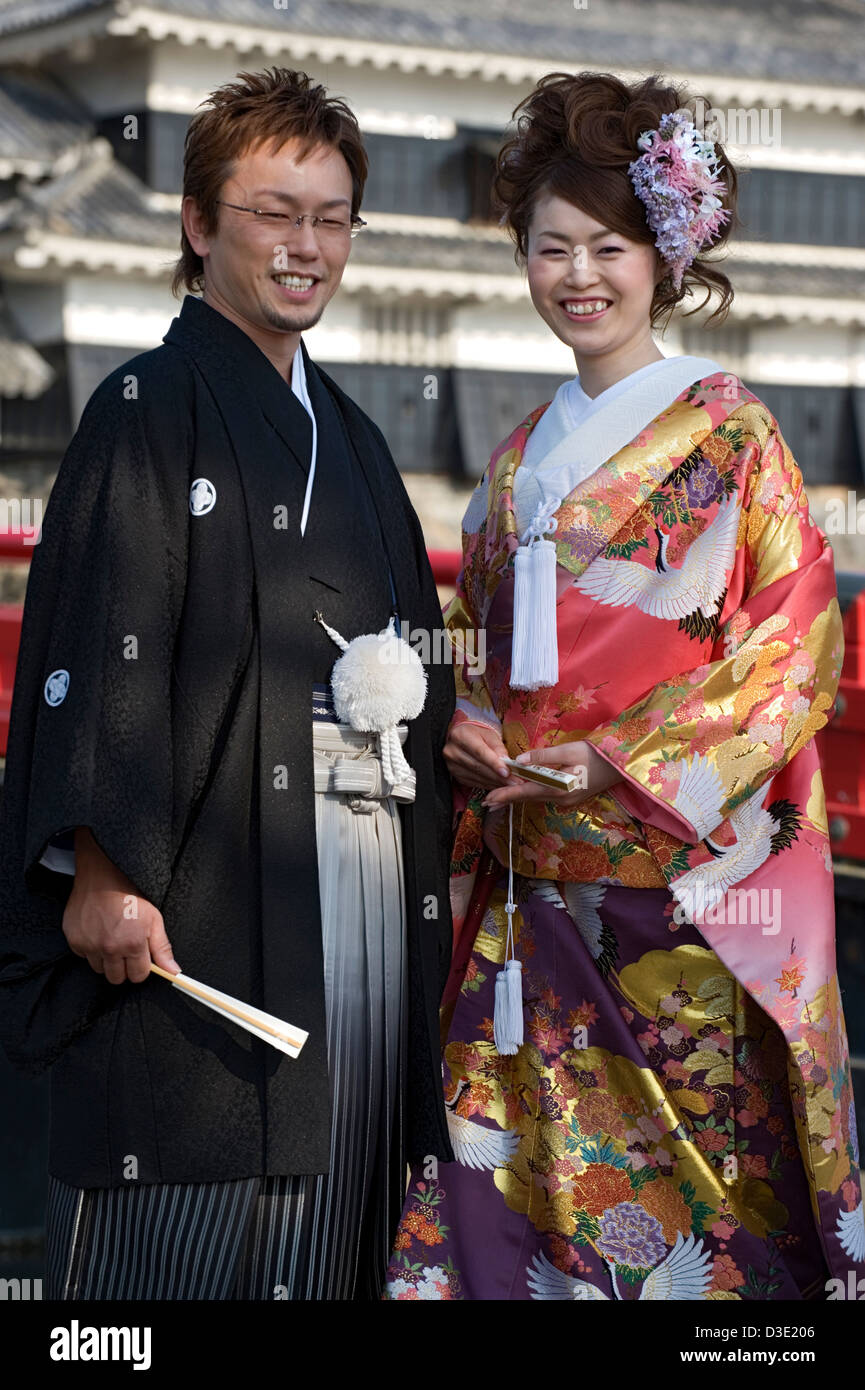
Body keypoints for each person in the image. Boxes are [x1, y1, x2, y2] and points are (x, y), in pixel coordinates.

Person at [384, 71, 864, 1301]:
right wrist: (470, 729)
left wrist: (613, 760)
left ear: (665, 255)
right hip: (530, 900)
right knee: (521, 1193)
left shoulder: (728, 431)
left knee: (708, 1222)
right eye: (550, 249)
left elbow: (794, 644)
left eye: (608, 246)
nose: (578, 276)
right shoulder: (513, 461)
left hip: (686, 904)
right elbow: (474, 645)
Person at [0, 67, 455, 1301]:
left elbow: (414, 647)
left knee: (333, 1178)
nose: (306, 246)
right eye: (272, 211)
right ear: (199, 224)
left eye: (332, 216)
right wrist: (96, 867)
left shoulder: (354, 436)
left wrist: (442, 734)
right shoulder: (143, 409)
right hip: (200, 877)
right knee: (189, 1217)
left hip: (357, 872)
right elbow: (98, 642)